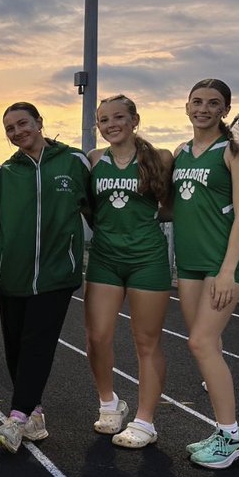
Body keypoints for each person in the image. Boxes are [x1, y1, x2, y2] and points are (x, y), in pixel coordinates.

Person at [0, 102, 91, 454]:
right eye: (10, 128)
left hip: (56, 274)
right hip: (12, 273)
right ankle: (35, 415)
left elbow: (95, 208)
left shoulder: (74, 162)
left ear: (39, 123)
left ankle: (16, 418)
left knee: (38, 343)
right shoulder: (6, 172)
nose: (17, 132)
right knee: (16, 346)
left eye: (23, 124)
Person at [83, 95, 173, 449]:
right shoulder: (93, 160)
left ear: (135, 119)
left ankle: (145, 420)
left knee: (146, 342)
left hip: (147, 259)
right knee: (96, 337)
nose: (111, 125)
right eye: (103, 120)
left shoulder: (160, 158)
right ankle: (110, 404)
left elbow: (171, 208)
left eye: (118, 117)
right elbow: (89, 208)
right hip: (105, 258)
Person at [174, 79, 239, 469]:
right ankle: (222, 429)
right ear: (187, 106)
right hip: (188, 263)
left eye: (213, 103)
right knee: (207, 345)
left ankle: (232, 435)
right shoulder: (182, 152)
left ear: (225, 109)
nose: (203, 108)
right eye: (197, 101)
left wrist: (227, 271)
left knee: (202, 343)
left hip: (223, 264)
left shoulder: (236, 151)